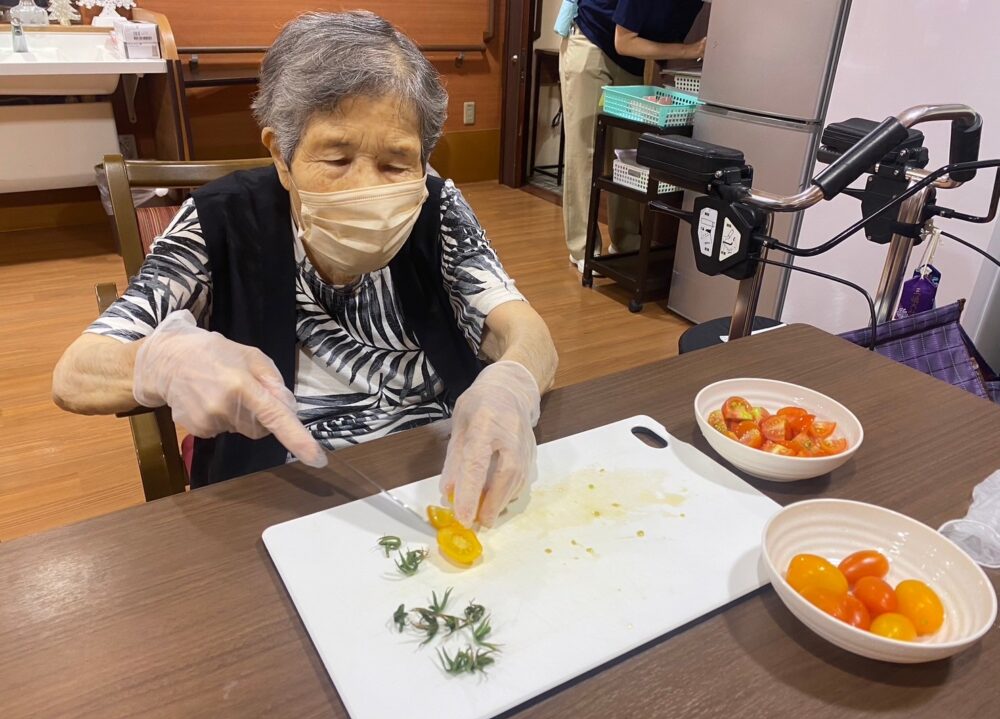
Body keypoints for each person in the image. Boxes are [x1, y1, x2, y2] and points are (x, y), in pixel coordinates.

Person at [52, 11, 558, 529]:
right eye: (336, 160)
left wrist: (510, 386)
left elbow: (524, 331)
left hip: (440, 472)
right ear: (281, 156)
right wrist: (161, 364)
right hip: (280, 494)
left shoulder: (437, 208)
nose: (366, 187)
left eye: (395, 163)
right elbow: (75, 373)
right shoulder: (221, 220)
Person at [558, 0, 705, 273]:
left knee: (626, 155)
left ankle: (626, 241)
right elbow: (624, 42)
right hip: (591, 40)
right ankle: (583, 246)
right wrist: (690, 51)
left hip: (630, 58)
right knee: (585, 150)